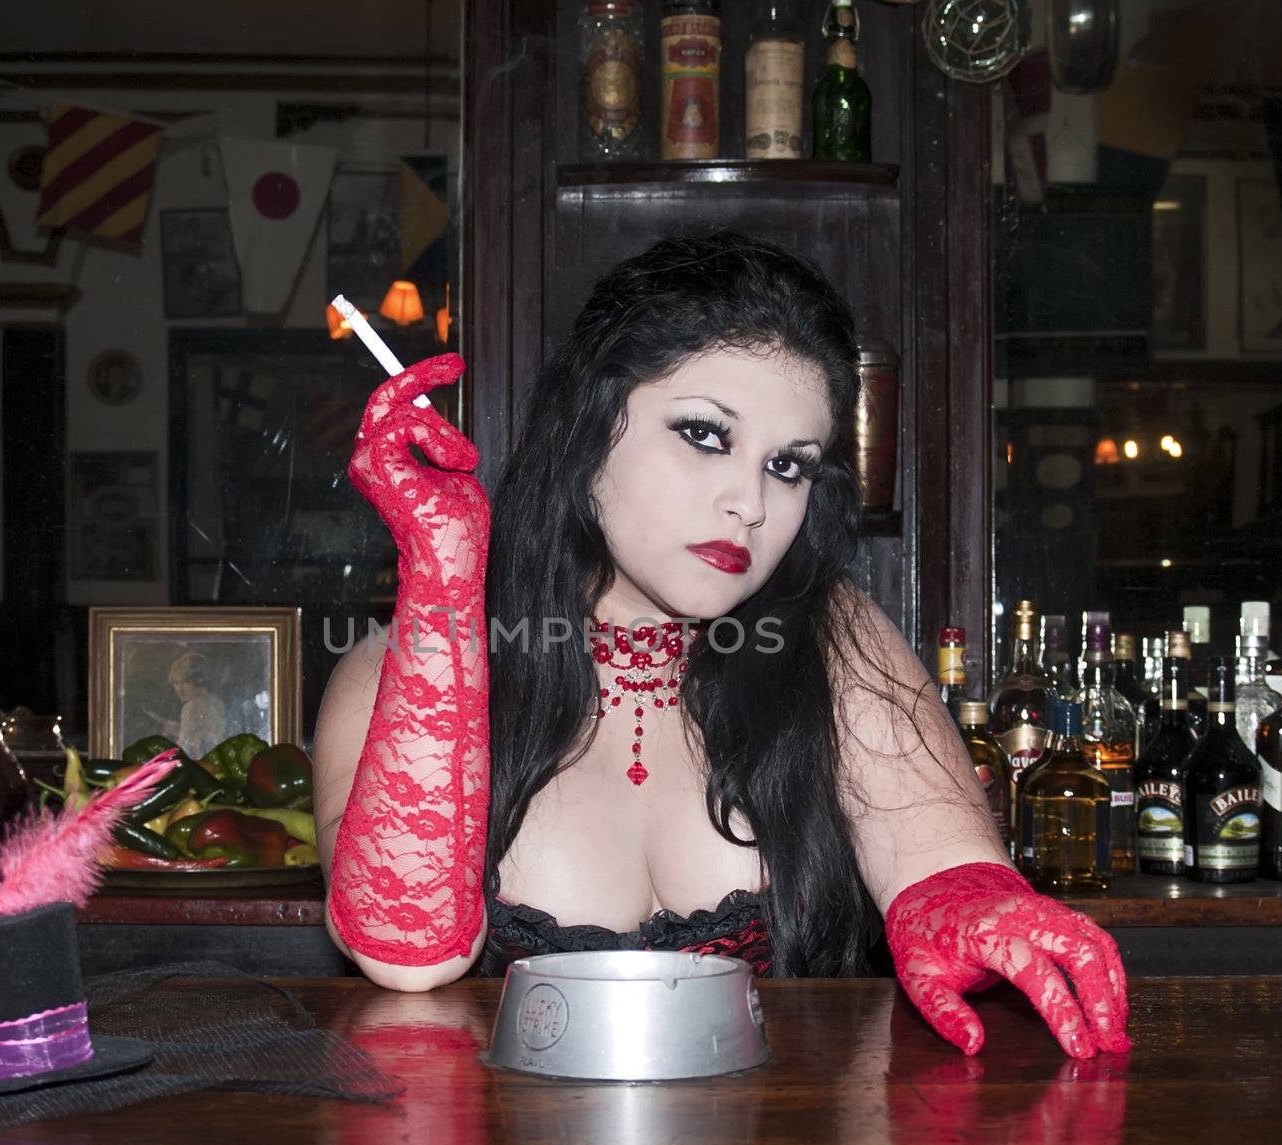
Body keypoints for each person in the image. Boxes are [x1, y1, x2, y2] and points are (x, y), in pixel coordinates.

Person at [314, 230, 1130, 1060]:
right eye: (706, 434)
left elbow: (938, 862)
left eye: (789, 465)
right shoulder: (401, 667)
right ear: (588, 424)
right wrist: (444, 571)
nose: (749, 502)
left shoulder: (829, 632)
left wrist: (965, 906)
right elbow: (406, 957)